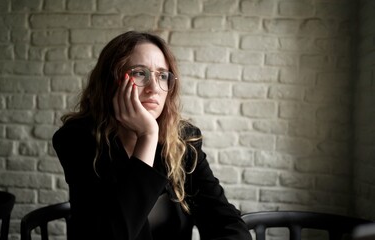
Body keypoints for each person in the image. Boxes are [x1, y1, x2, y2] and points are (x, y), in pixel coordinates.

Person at [52, 30, 251, 240]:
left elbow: (227, 222)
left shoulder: (184, 140)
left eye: (162, 76)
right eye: (139, 73)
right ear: (110, 82)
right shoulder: (77, 139)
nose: (154, 88)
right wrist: (148, 135)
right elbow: (112, 234)